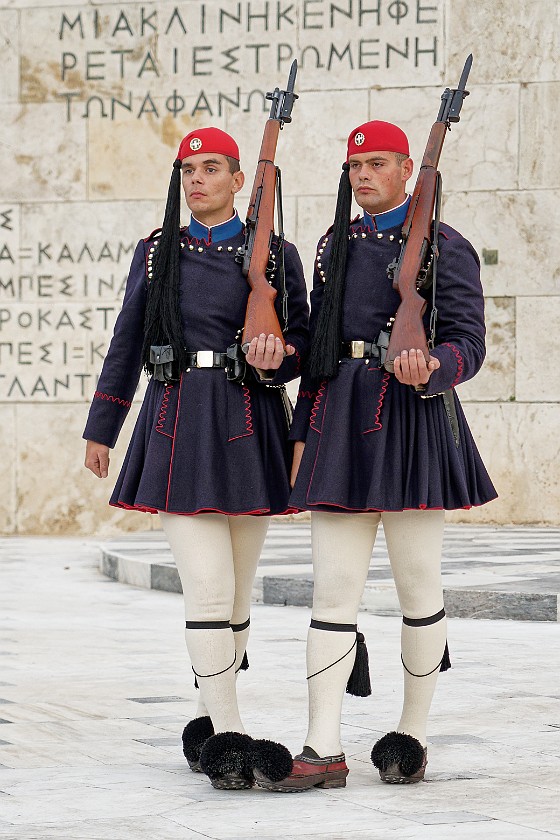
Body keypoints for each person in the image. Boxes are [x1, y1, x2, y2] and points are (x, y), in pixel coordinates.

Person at [254, 120, 497, 792]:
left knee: (419, 587)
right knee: (332, 591)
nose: (362, 175)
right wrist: (300, 425)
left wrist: (434, 365)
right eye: (354, 164)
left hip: (413, 421)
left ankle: (412, 736)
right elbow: (319, 343)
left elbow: (470, 343)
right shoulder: (335, 243)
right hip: (340, 419)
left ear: (407, 171)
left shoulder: (448, 247)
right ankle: (322, 745)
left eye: (377, 163)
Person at [83, 127, 308, 790]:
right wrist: (105, 425)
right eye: (188, 171)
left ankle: (206, 717)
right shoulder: (157, 253)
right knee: (208, 588)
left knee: (238, 591)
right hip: (178, 420)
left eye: (211, 169)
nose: (197, 180)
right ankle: (231, 735)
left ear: (241, 179)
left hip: (250, 419)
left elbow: (301, 343)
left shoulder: (276, 255)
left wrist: (279, 358)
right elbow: (127, 340)